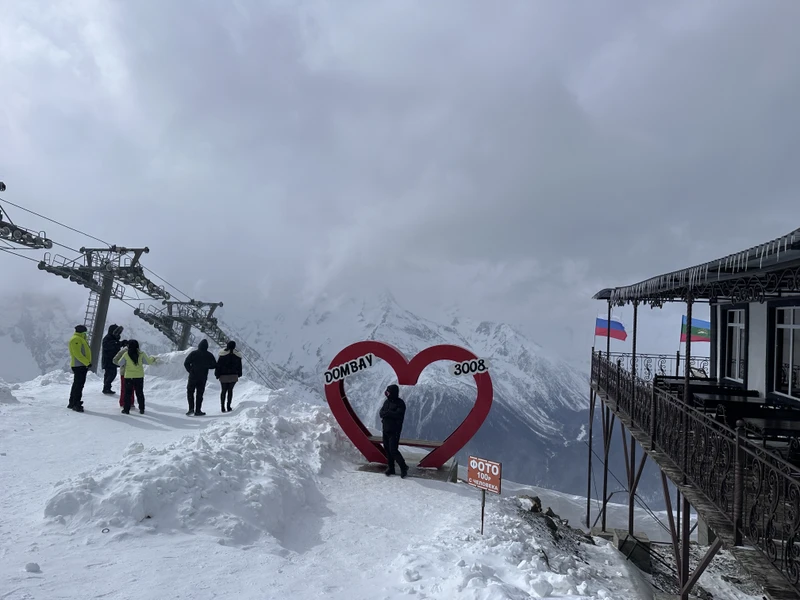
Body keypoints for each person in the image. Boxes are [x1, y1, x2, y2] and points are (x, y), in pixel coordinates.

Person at [113, 339, 157, 414]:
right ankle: (142, 409)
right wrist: (153, 358)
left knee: (128, 393)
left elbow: (120, 363)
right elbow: (148, 362)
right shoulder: (141, 354)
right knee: (139, 393)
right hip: (139, 376)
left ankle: (126, 409)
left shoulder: (126, 354)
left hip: (128, 377)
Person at [379, 384, 408, 478]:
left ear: (393, 393)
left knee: (393, 450)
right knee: (387, 449)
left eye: (388, 392)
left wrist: (387, 413)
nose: (386, 394)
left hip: (394, 431)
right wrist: (387, 414)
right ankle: (391, 468)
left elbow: (398, 415)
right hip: (385, 429)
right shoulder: (386, 402)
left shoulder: (400, 403)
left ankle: (403, 467)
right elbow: (381, 413)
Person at [184, 339, 217, 416]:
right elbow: (215, 365)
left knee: (190, 392)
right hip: (203, 377)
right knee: (200, 394)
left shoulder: (194, 353)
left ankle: (191, 408)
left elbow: (186, 363)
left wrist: (190, 370)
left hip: (193, 376)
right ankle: (198, 410)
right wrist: (207, 366)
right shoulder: (209, 355)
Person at [68, 324, 92, 412]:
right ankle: (76, 403)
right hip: (79, 365)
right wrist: (87, 362)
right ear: (82, 332)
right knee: (79, 385)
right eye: (85, 332)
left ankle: (73, 402)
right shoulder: (76, 339)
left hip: (81, 365)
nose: (86, 333)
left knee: (77, 384)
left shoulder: (80, 339)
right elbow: (77, 353)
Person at [215, 340, 243, 413]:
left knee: (223, 391)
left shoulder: (222, 355)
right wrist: (239, 374)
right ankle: (228, 406)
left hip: (223, 376)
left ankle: (222, 407)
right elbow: (239, 367)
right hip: (233, 376)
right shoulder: (237, 356)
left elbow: (218, 366)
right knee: (230, 391)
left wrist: (217, 374)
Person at [101, 324, 126, 395]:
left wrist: (120, 343)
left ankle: (106, 388)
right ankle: (106, 388)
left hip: (111, 359)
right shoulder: (108, 338)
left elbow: (115, 344)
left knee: (109, 374)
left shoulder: (112, 338)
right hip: (108, 360)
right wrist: (120, 343)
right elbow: (110, 346)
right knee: (111, 374)